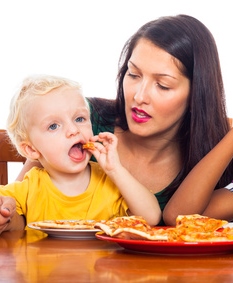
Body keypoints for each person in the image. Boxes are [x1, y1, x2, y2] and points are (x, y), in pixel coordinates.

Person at [14, 14, 233, 226]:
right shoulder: (80, 120)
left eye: (163, 85)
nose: (139, 96)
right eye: (134, 75)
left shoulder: (213, 154)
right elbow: (19, 208)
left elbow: (178, 218)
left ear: (197, 94)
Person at [0, 74, 161, 234]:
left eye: (79, 119)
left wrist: (115, 170)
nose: (73, 130)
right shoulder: (29, 187)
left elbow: (152, 217)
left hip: (102, 260)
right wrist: (6, 218)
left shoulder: (110, 182)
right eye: (54, 126)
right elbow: (13, 223)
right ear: (31, 150)